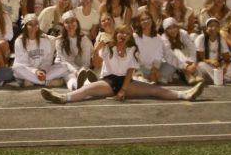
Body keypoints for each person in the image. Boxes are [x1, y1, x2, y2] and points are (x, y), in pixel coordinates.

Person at [41, 23, 206, 104]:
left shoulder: (132, 50)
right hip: (109, 80)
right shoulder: (109, 48)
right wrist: (102, 42)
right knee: (86, 91)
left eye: (127, 34)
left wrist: (124, 90)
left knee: (155, 90)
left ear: (129, 36)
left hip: (126, 81)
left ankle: (186, 94)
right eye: (121, 33)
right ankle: (63, 97)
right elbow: (96, 60)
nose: (124, 36)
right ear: (117, 34)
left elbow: (129, 73)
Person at [12, 14, 68, 87]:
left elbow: (47, 61)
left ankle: (33, 81)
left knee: (64, 66)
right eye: (30, 24)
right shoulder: (19, 41)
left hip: (43, 70)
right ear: (25, 26)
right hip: (28, 70)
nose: (33, 27)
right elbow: (22, 62)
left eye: (36, 24)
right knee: (16, 68)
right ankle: (47, 82)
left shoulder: (45, 39)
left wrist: (43, 71)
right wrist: (35, 71)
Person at [54, 10, 96, 90]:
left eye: (72, 21)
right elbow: (65, 61)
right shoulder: (59, 41)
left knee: (85, 79)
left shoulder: (84, 40)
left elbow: (86, 62)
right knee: (71, 77)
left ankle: (88, 87)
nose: (70, 24)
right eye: (67, 22)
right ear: (64, 25)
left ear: (77, 23)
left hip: (81, 69)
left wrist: (81, 72)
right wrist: (76, 72)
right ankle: (75, 87)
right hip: (65, 67)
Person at [196, 16, 231, 86]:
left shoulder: (221, 39)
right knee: (200, 65)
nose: (214, 28)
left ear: (219, 28)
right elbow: (200, 58)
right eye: (211, 26)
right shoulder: (201, 38)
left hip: (218, 66)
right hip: (207, 65)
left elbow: (226, 58)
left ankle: (217, 78)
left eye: (216, 26)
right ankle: (226, 78)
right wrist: (210, 61)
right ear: (206, 28)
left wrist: (225, 66)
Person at [161, 16, 200, 84]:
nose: (172, 30)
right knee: (176, 51)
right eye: (169, 28)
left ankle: (192, 74)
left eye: (174, 27)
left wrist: (192, 62)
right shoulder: (163, 39)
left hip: (186, 60)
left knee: (184, 50)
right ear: (165, 30)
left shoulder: (183, 33)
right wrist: (186, 66)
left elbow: (192, 48)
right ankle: (189, 74)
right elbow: (169, 57)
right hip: (170, 62)